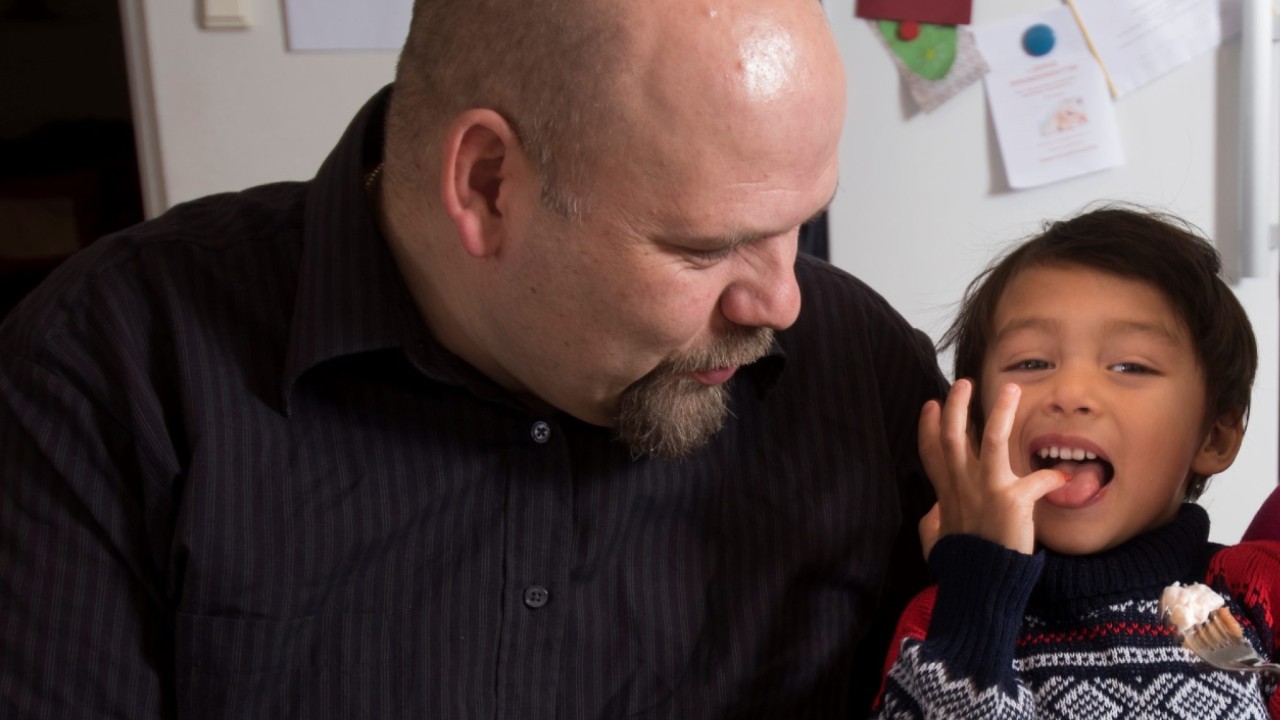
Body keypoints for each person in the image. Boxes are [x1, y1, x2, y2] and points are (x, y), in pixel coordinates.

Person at [0, 1, 949, 717]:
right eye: (707, 248)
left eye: (801, 222)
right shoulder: (105, 371)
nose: (781, 303)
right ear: (489, 183)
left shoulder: (856, 371)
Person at [871, 205, 1280, 719]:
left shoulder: (1256, 591)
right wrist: (979, 593)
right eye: (1032, 362)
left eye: (1130, 366)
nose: (1069, 393)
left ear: (1215, 436)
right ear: (974, 425)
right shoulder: (949, 615)